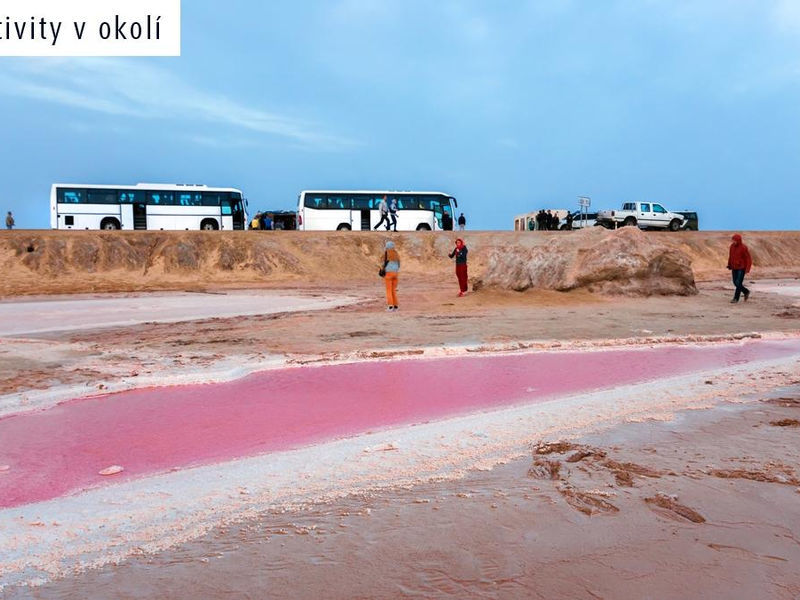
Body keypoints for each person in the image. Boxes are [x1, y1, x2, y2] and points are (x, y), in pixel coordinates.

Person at [727, 233, 752, 303]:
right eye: (733, 240)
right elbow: (730, 256)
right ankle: (746, 291)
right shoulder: (731, 246)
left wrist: (747, 269)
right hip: (734, 267)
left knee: (738, 282)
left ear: (738, 240)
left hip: (741, 268)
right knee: (735, 283)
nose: (733, 242)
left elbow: (748, 259)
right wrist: (729, 264)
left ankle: (736, 298)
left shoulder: (744, 247)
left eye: (734, 240)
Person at [382, 240, 400, 311]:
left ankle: (390, 306)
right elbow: (399, 265)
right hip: (396, 273)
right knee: (393, 290)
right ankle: (396, 306)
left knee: (388, 290)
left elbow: (382, 263)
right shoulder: (396, 254)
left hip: (388, 274)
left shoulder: (386, 254)